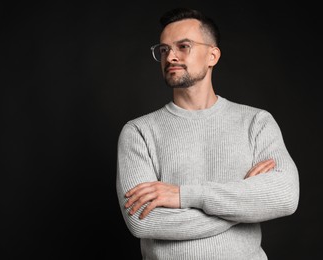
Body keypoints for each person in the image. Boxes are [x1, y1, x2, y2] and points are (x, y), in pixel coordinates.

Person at [116, 7, 299, 260]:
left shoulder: (256, 122)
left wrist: (183, 196)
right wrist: (242, 206)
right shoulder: (138, 132)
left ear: (212, 55)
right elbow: (143, 221)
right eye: (164, 49)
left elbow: (285, 196)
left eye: (183, 46)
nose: (170, 57)